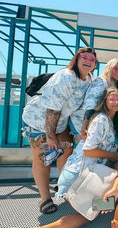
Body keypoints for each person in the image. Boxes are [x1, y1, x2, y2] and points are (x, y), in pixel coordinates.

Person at [22, 47, 97, 214]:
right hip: (40, 122)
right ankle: (44, 198)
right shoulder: (66, 77)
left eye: (92, 59)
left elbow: (78, 109)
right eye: (84, 57)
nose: (88, 61)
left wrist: (79, 132)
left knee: (67, 150)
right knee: (43, 157)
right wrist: (50, 136)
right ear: (76, 59)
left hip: (61, 122)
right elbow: (52, 110)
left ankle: (63, 188)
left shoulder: (88, 79)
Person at [41, 87, 118, 228]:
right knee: (89, 215)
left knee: (104, 203)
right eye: (112, 98)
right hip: (78, 179)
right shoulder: (101, 120)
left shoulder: (110, 120)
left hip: (87, 174)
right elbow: (88, 151)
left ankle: (101, 207)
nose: (116, 102)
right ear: (105, 101)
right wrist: (113, 155)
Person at [80, 58, 118, 140]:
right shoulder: (101, 82)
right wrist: (84, 127)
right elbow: (90, 105)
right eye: (115, 68)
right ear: (109, 69)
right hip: (85, 121)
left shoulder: (115, 85)